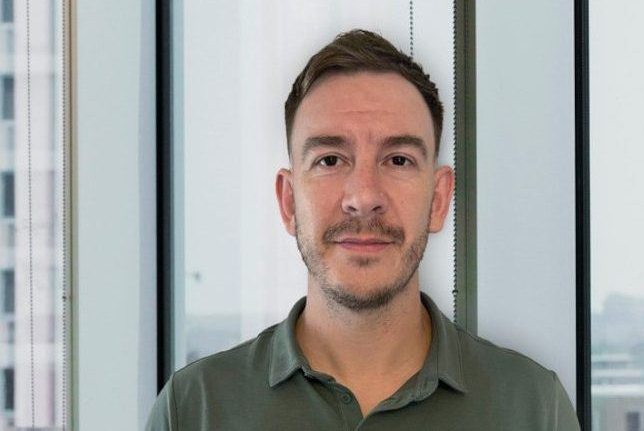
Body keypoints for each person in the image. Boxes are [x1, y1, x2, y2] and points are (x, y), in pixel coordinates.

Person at [145, 29, 581, 430]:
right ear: (288, 200)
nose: (363, 196)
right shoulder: (195, 408)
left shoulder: (532, 407)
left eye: (398, 160)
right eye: (330, 159)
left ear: (439, 198)